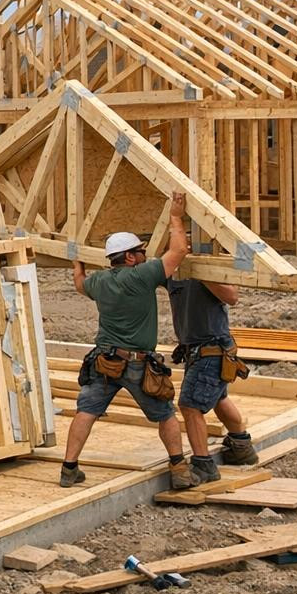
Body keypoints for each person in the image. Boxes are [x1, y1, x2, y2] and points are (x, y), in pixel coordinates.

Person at [61, 190, 198, 491]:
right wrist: (175, 217)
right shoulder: (142, 276)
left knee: (87, 411)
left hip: (104, 361)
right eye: (140, 251)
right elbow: (178, 252)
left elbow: (80, 284)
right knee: (165, 414)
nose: (145, 255)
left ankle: (69, 469)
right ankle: (179, 468)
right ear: (130, 257)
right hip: (137, 364)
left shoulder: (99, 282)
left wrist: (77, 263)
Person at [168, 270, 258, 483]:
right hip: (198, 350)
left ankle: (204, 464)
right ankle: (241, 447)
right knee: (219, 398)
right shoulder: (172, 271)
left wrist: (201, 272)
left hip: (211, 349)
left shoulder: (209, 267)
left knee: (190, 406)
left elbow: (232, 297)